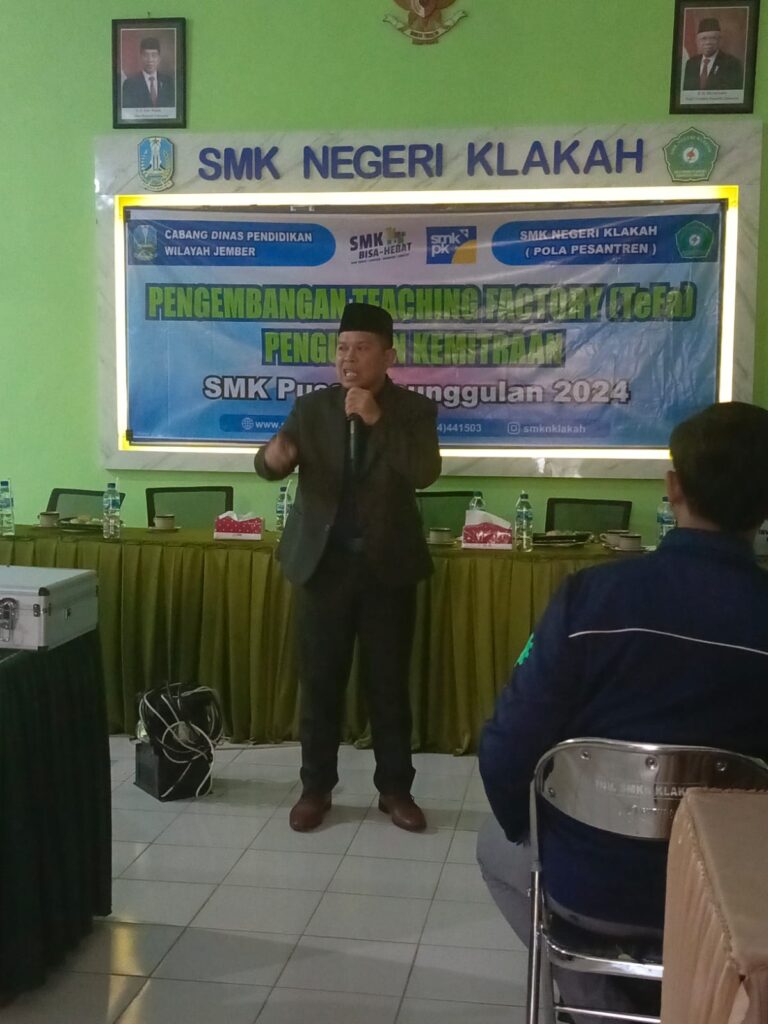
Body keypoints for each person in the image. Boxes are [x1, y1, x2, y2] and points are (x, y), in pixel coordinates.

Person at [476, 401, 768, 1018]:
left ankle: (594, 1001)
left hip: (591, 884)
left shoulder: (591, 598)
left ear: (673, 487)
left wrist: (537, 833)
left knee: (496, 847)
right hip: (736, 899)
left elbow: (505, 750)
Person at [254, 302, 441, 832]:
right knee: (319, 684)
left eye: (361, 348)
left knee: (388, 686)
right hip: (323, 568)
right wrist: (271, 459)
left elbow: (424, 471)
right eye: (341, 348)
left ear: (388, 356)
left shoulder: (413, 411)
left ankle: (395, 790)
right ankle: (315, 789)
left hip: (387, 570)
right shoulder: (312, 408)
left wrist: (378, 421)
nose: (348, 358)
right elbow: (270, 461)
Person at [682, 17, 744, 91]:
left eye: (713, 38)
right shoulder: (691, 63)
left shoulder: (732, 63)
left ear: (719, 40)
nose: (708, 42)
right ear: (697, 41)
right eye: (703, 38)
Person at [122, 36, 175, 108]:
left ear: (159, 58)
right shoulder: (129, 84)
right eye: (146, 55)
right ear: (140, 57)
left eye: (154, 55)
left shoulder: (168, 82)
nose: (150, 60)